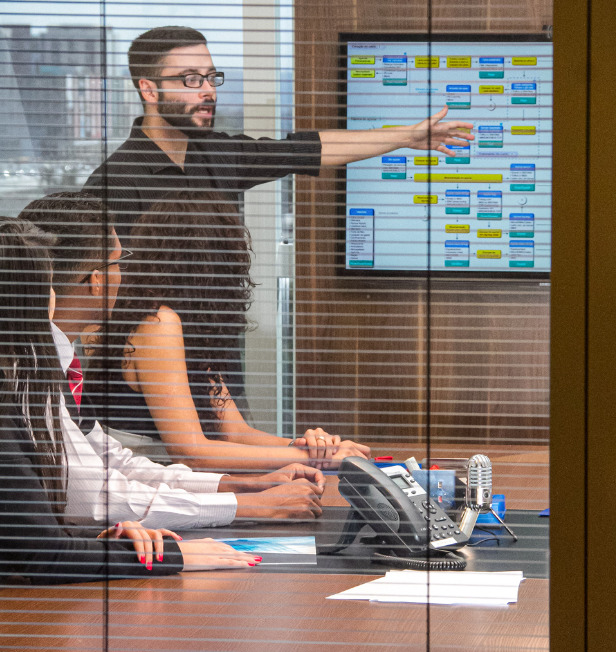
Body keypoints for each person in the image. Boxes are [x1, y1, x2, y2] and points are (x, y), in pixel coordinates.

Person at [18, 192, 329, 528]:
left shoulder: (52, 360)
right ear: (96, 280)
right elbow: (95, 492)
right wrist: (245, 503)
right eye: (118, 262)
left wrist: (242, 485)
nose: (125, 274)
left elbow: (111, 460)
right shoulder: (29, 367)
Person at [0, 217, 257, 584]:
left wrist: (107, 541)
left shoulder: (25, 380)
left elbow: (34, 538)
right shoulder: (12, 392)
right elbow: (42, 553)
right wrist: (172, 554)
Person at [84, 25, 475, 238]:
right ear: (149, 89)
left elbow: (309, 149)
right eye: (189, 79)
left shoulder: (219, 154)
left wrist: (406, 137)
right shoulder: (114, 183)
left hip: (219, 366)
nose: (207, 90)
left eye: (210, 77)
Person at [93, 192, 370, 472]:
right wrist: (314, 459)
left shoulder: (182, 324)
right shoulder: (158, 324)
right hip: (140, 487)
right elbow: (190, 452)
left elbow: (235, 432)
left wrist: (309, 446)